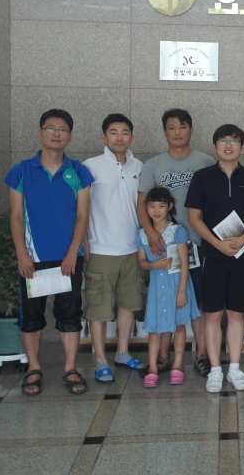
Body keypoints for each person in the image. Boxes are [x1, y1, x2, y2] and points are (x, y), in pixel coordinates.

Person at [5, 109, 94, 396]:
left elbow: (83, 215)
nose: (56, 133)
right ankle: (33, 368)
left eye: (62, 129)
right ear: (40, 132)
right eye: (50, 128)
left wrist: (72, 253)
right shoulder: (21, 171)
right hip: (33, 258)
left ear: (70, 136)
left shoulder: (78, 171)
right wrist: (22, 254)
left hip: (69, 257)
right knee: (31, 315)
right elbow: (15, 215)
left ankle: (70, 367)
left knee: (70, 313)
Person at [186, 124, 244, 393]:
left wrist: (242, 240)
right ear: (214, 146)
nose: (228, 145)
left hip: (242, 255)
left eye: (234, 141)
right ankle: (215, 370)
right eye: (223, 140)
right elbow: (194, 217)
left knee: (236, 312)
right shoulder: (202, 177)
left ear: (241, 146)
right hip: (212, 254)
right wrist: (217, 244)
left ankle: (234, 368)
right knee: (212, 313)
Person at [138, 108, 215, 377]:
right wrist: (150, 232)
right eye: (172, 127)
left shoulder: (206, 161)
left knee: (200, 302)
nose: (177, 131)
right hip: (165, 245)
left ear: (191, 130)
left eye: (182, 126)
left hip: (199, 243)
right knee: (167, 300)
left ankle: (202, 354)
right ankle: (162, 357)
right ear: (164, 132)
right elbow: (142, 203)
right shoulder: (153, 165)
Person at [82, 114, 146, 384]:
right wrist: (84, 240)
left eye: (125, 132)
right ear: (103, 137)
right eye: (113, 132)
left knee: (129, 304)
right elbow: (80, 207)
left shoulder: (139, 166)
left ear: (132, 137)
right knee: (98, 307)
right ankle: (100, 360)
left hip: (131, 249)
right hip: (100, 249)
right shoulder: (90, 166)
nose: (119, 137)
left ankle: (122, 352)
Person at [137, 187, 200, 387]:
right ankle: (153, 368)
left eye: (161, 206)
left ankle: (178, 366)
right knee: (155, 329)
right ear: (146, 208)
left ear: (170, 207)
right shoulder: (142, 234)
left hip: (177, 285)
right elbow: (142, 263)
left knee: (179, 326)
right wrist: (154, 265)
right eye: (152, 206)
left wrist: (182, 290)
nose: (156, 211)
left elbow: (184, 262)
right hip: (157, 287)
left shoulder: (177, 231)